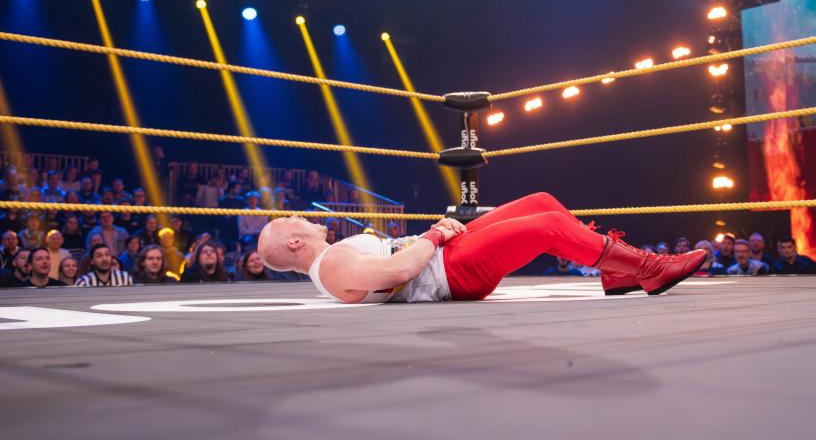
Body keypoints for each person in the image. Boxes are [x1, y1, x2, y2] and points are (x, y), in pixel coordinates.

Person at [258, 192, 706, 304]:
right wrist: (433, 236)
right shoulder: (331, 266)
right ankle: (648, 268)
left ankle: (616, 272)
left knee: (540, 202)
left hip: (443, 258)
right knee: (549, 224)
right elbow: (394, 274)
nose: (298, 215)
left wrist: (430, 239)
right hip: (450, 273)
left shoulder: (332, 256)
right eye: (289, 220)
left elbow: (394, 261)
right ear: (295, 241)